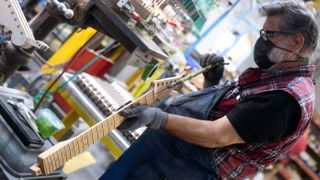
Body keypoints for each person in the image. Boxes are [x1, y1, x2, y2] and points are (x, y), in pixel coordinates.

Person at [100, 1, 319, 179]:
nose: (262, 41)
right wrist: (211, 85)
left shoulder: (285, 99)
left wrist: (158, 118)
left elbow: (217, 135)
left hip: (178, 169)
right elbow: (233, 123)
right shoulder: (276, 79)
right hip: (167, 157)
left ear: (295, 43)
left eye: (269, 34)